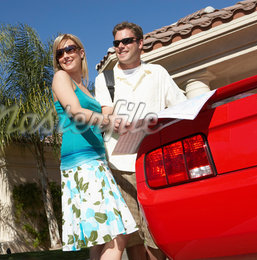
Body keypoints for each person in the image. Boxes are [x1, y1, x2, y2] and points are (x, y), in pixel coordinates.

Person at [95, 22, 187, 260]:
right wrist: (113, 121)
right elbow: (106, 115)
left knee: (157, 234)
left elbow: (180, 107)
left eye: (126, 41)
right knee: (133, 236)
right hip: (119, 166)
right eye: (117, 43)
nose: (121, 46)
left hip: (154, 162)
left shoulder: (158, 73)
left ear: (140, 43)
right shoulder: (104, 79)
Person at [51, 33, 138, 260]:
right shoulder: (61, 78)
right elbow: (77, 113)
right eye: (60, 52)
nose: (65, 55)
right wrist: (110, 121)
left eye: (70, 49)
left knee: (101, 241)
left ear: (81, 52)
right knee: (117, 234)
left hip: (97, 161)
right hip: (82, 163)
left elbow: (97, 119)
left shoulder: (85, 88)